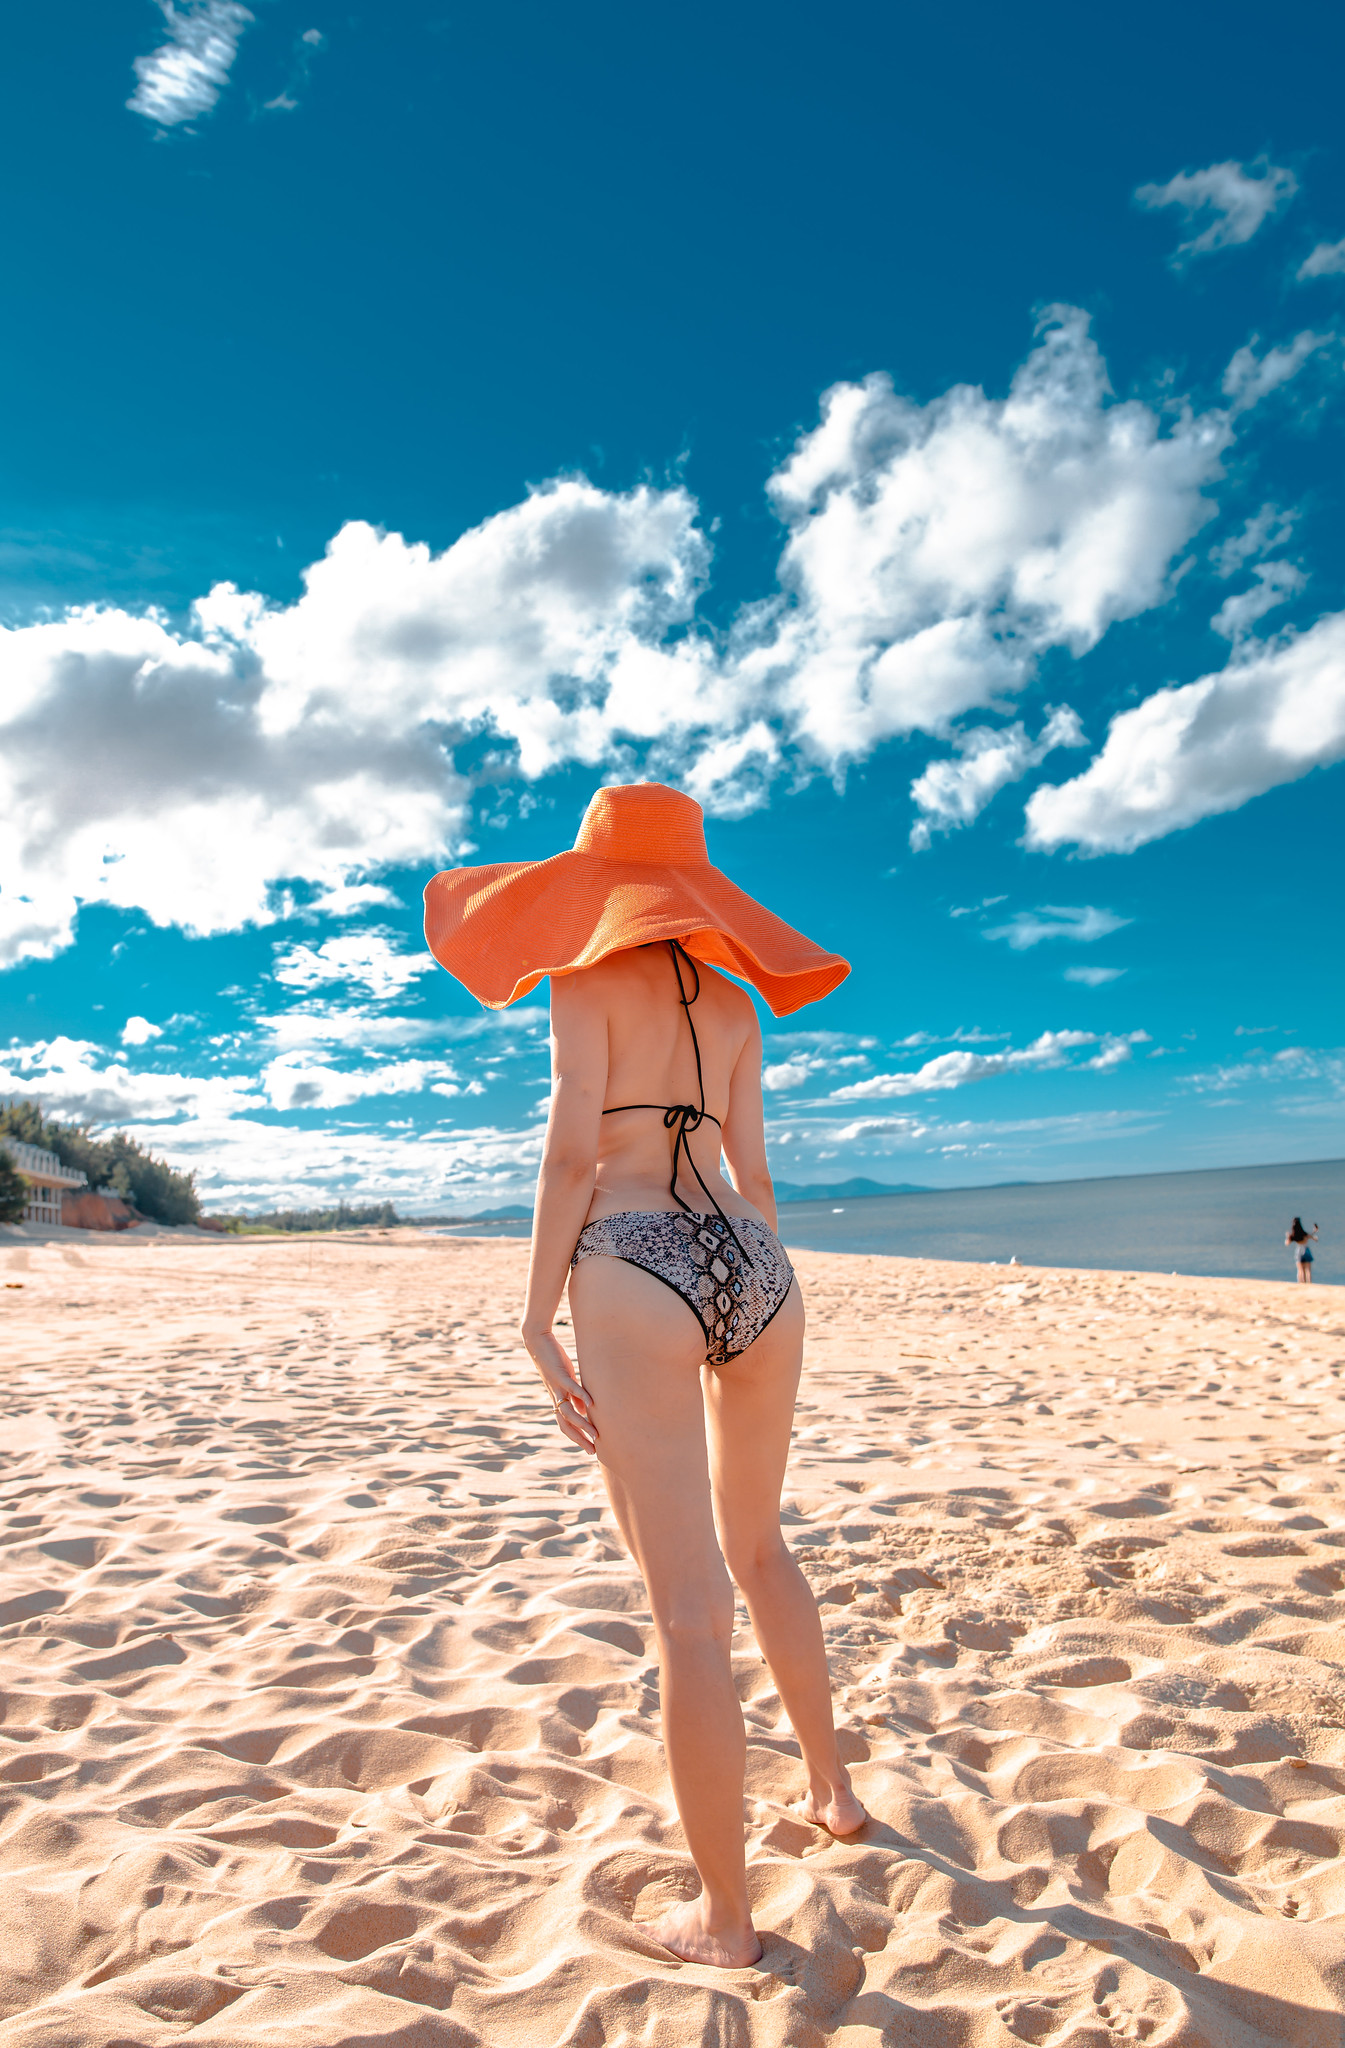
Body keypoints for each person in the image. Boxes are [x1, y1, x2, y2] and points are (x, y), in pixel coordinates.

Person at [425, 783, 866, 1968]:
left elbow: (575, 1148)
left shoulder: (582, 981)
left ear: (601, 884)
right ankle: (832, 1790)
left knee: (685, 1608)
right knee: (762, 1544)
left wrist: (533, 1316)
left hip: (630, 1258)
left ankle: (724, 1920)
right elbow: (754, 1172)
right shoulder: (731, 1002)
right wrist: (759, 1270)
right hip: (753, 1263)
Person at [1287, 1216, 1319, 1283]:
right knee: (1308, 1270)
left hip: (1298, 1251)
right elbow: (1314, 1238)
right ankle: (1309, 1283)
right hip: (1306, 1250)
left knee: (1300, 1270)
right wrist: (1314, 1231)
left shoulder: (1293, 1235)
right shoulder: (1304, 1234)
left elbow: (1287, 1243)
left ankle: (1301, 1283)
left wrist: (1287, 1237)